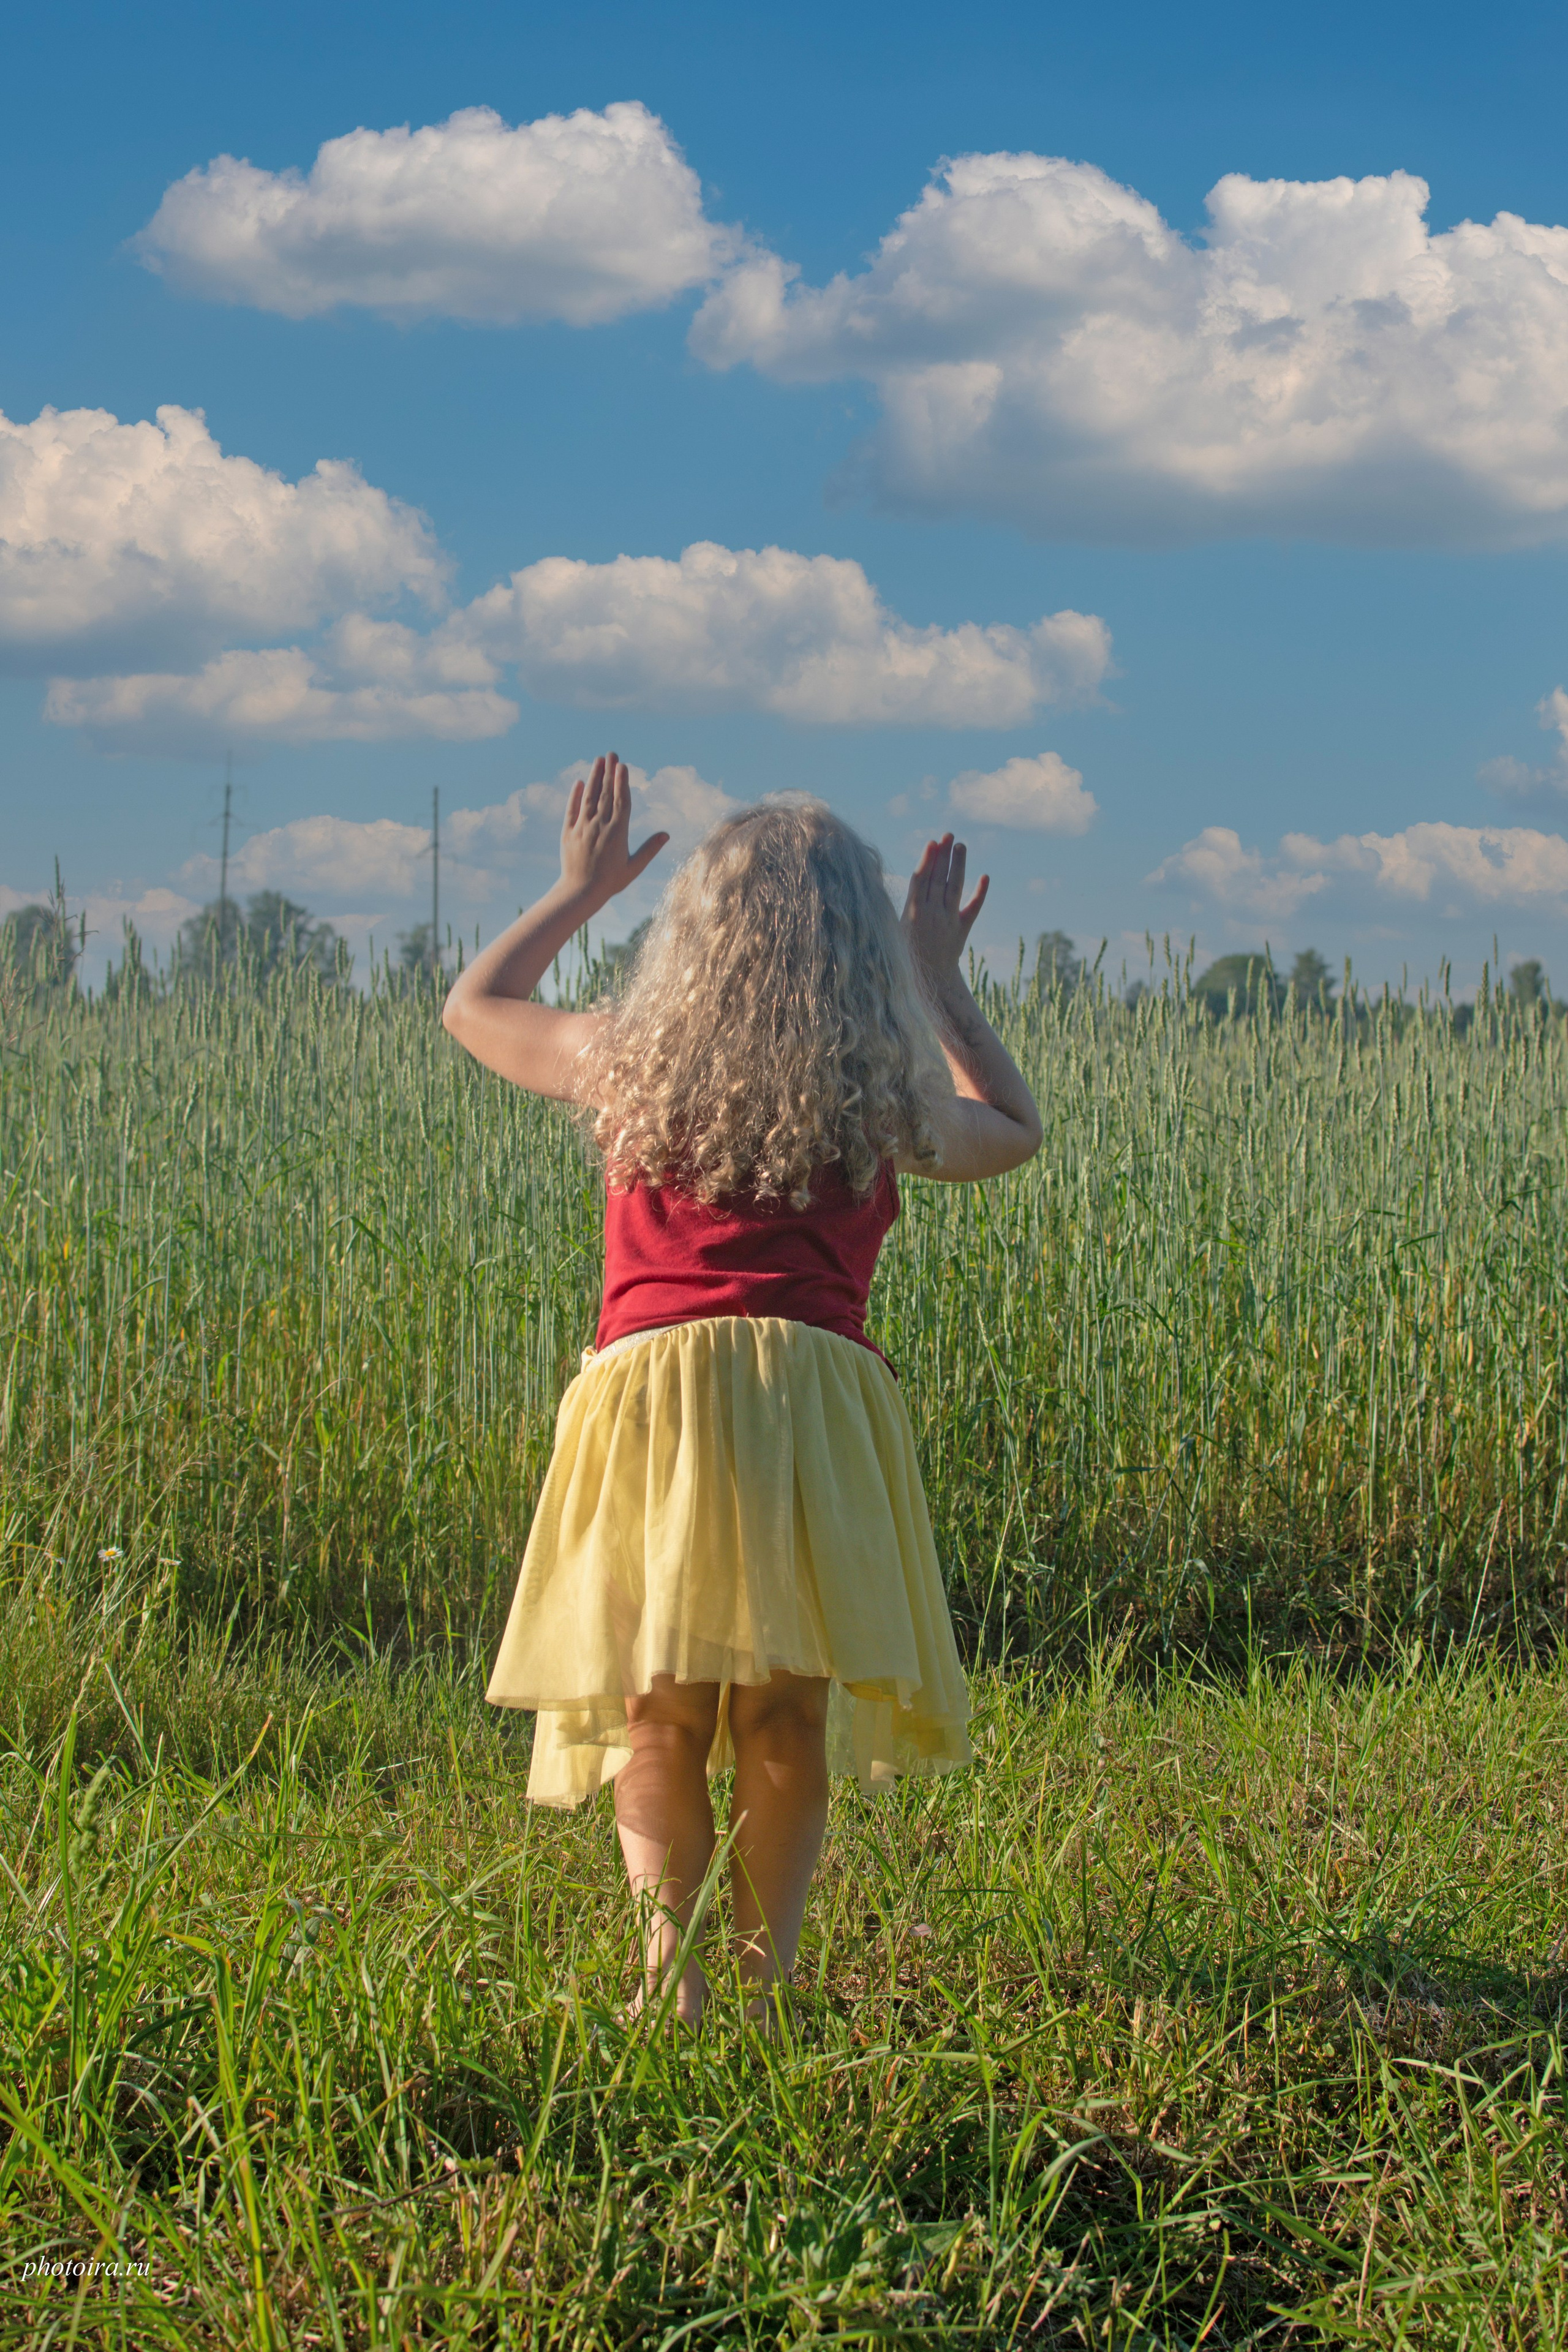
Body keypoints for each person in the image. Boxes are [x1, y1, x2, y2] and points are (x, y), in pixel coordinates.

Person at [442, 753, 1043, 2029]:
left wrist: (575, 891)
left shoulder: (627, 1061)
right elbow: (1013, 1128)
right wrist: (939, 980)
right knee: (782, 1715)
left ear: (692, 933)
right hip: (807, 1410)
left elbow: (476, 1005)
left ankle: (670, 1979)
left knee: (657, 1706)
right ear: (857, 946)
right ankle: (762, 1986)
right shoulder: (880, 1096)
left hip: (650, 1398)